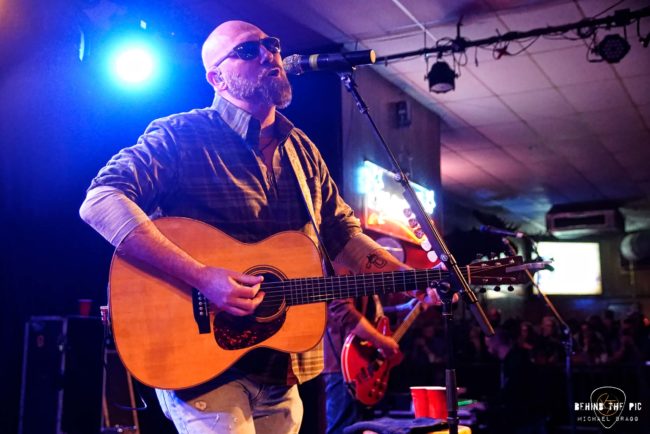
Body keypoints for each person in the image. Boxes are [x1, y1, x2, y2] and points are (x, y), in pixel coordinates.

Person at [80, 20, 417, 434]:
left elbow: (342, 233)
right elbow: (100, 200)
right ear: (215, 77)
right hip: (201, 363)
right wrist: (203, 277)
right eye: (247, 50)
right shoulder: (181, 135)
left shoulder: (302, 150)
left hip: (280, 365)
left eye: (271, 44)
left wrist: (414, 279)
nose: (268, 54)